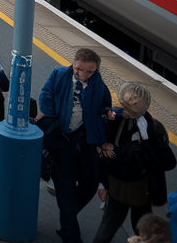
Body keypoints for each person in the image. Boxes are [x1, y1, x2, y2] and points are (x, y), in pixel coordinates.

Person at [39, 48, 114, 243]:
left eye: (89, 71)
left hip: (85, 138)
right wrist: (54, 121)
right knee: (65, 188)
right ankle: (71, 235)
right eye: (79, 69)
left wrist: (109, 114)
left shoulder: (98, 85)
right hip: (61, 138)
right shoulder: (58, 74)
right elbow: (45, 96)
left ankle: (68, 214)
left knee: (89, 185)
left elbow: (105, 106)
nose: (83, 74)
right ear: (73, 63)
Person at [92, 83, 177, 243]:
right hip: (139, 190)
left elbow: (110, 160)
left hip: (122, 189)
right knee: (142, 232)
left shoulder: (119, 124)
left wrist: (102, 184)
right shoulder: (149, 127)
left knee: (106, 231)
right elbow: (168, 162)